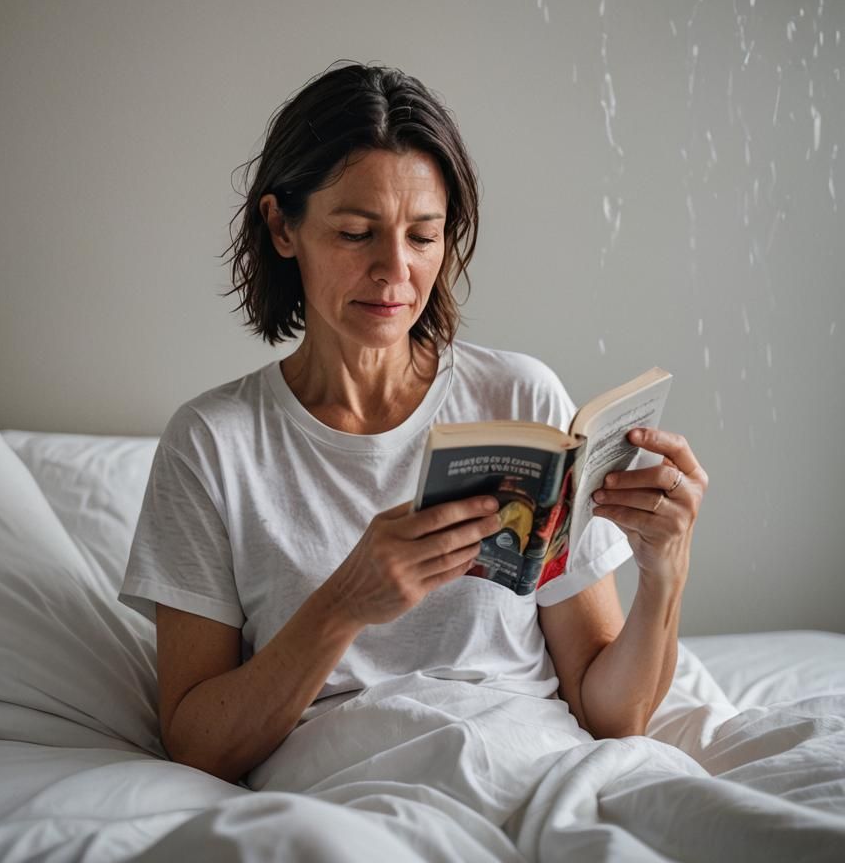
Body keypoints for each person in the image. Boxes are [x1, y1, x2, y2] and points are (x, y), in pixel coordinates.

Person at [118, 61, 708, 791]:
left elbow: (611, 713)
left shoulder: (521, 398)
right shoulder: (215, 443)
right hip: (350, 792)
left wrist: (665, 572)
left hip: (533, 770)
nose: (394, 270)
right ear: (281, 227)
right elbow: (199, 745)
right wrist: (343, 604)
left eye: (423, 237)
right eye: (356, 232)